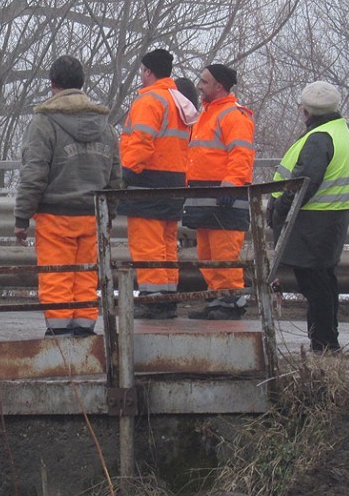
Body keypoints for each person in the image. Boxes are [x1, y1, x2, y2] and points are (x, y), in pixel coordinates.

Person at [14, 55, 122, 337]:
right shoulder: (106, 126)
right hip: (92, 214)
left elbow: (33, 173)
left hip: (55, 214)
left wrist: (22, 216)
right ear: (82, 83)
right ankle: (85, 328)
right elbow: (115, 176)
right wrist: (109, 212)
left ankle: (60, 333)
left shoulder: (43, 124)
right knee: (87, 274)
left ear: (52, 84)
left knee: (56, 274)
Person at [270, 81, 349, 353]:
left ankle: (323, 342)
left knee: (314, 282)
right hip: (329, 222)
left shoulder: (319, 138)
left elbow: (302, 183)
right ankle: (327, 339)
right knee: (324, 279)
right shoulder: (340, 131)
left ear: (306, 111)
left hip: (312, 223)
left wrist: (279, 209)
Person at [118, 49, 198, 319]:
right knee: (166, 244)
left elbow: (140, 142)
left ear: (149, 71)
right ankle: (166, 297)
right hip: (174, 181)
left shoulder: (149, 100)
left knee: (147, 245)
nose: (141, 75)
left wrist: (126, 173)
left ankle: (153, 300)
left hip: (147, 182)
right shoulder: (177, 100)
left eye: (142, 70)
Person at [183, 63, 255, 319]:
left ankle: (230, 301)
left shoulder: (234, 116)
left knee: (224, 253)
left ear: (219, 86)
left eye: (204, 82)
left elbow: (241, 154)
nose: (199, 86)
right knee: (207, 253)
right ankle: (217, 301)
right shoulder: (207, 115)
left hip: (224, 197)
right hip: (204, 196)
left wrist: (232, 184)